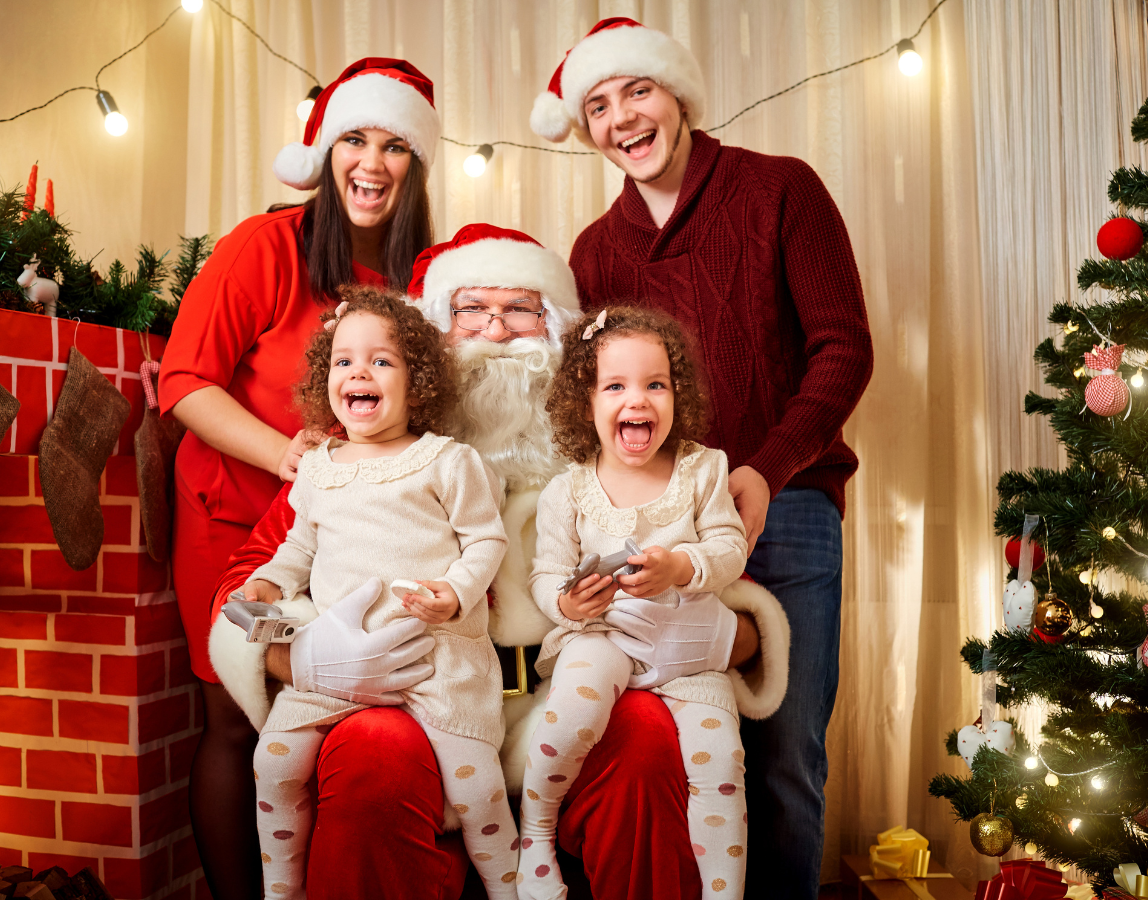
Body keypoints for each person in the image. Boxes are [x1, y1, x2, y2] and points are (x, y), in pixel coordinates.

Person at [207, 225, 789, 900]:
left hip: (575, 700)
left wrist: (715, 636)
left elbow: (732, 599)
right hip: (422, 696)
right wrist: (298, 658)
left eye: (521, 310)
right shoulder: (350, 457)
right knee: (371, 750)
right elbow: (246, 582)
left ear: (563, 337)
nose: (497, 330)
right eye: (470, 310)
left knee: (647, 736)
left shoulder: (631, 452)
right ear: (432, 339)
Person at [530, 19, 874, 899]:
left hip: (787, 504)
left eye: (636, 92)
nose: (622, 119)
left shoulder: (780, 191)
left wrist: (762, 467)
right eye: (598, 107)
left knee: (786, 754)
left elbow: (844, 346)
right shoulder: (595, 251)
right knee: (674, 744)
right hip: (653, 526)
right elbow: (595, 398)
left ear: (676, 93)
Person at [158, 58, 441, 899]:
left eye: (395, 145)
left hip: (344, 540)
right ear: (324, 150)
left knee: (327, 716)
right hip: (232, 523)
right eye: (354, 138)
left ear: (416, 165)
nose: (372, 163)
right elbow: (184, 382)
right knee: (238, 721)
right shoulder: (264, 246)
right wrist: (284, 453)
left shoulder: (420, 278)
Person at [239, 287, 515, 900]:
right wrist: (268, 583)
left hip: (436, 657)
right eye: (344, 361)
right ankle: (281, 891)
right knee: (274, 762)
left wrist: (455, 592)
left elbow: (486, 542)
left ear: (417, 383)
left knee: (475, 789)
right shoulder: (318, 467)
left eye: (382, 361)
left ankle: (511, 887)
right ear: (325, 380)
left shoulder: (446, 460)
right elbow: (299, 549)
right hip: (338, 662)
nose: (359, 372)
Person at [521, 307, 750, 900]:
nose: (638, 400)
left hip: (689, 657)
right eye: (616, 386)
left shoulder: (704, 469)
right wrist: (570, 606)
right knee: (572, 713)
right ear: (587, 403)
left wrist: (681, 566)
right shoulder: (566, 490)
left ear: (679, 397)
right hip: (603, 638)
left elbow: (729, 548)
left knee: (722, 770)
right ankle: (535, 833)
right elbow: (545, 576)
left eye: (656, 385)